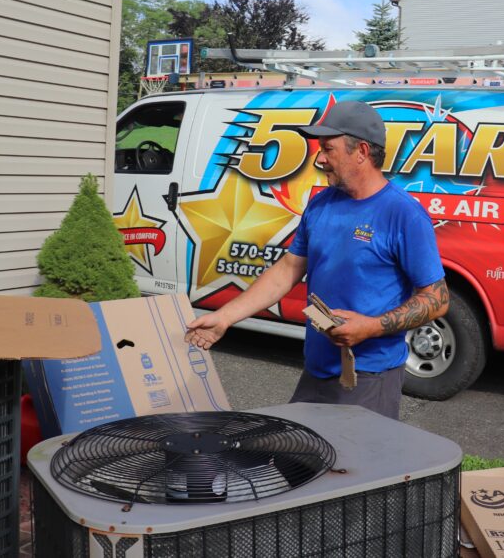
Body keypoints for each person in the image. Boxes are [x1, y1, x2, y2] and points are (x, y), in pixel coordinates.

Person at [185, 100, 448, 419]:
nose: (319, 158)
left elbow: (437, 299)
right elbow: (287, 269)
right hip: (316, 371)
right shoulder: (321, 203)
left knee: (351, 454)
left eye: (328, 149)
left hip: (369, 378)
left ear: (362, 151)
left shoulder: (403, 214)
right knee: (297, 449)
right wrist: (225, 317)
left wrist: (370, 327)